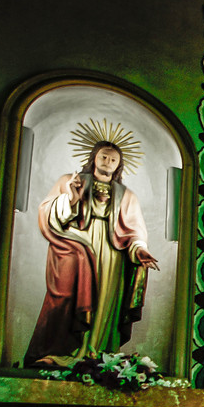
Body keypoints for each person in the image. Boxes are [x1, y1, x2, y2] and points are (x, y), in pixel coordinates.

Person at [25, 139, 160, 366]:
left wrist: (140, 249)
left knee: (106, 301)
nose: (108, 162)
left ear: (119, 165)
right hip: (77, 250)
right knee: (67, 298)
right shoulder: (71, 181)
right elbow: (47, 212)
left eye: (113, 159)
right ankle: (63, 352)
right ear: (94, 158)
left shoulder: (127, 195)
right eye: (104, 156)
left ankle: (98, 355)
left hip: (112, 254)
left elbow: (135, 230)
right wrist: (71, 198)